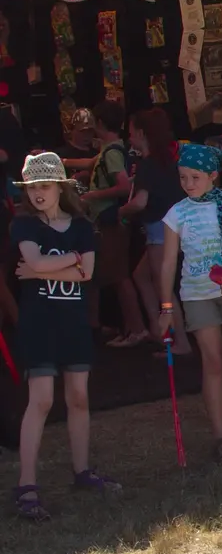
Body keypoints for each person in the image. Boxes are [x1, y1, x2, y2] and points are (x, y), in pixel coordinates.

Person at [11, 153, 117, 520]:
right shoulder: (24, 224)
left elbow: (85, 273)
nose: (38, 194)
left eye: (44, 186)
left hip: (72, 322)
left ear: (59, 187)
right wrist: (68, 260)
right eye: (32, 188)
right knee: (39, 401)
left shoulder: (81, 226)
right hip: (38, 322)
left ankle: (82, 471)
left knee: (78, 397)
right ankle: (26, 484)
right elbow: (35, 262)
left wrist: (47, 267)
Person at [156, 144, 222, 461]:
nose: (188, 184)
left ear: (213, 176)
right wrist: (166, 308)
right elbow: (167, 264)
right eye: (183, 178)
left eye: (195, 177)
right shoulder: (176, 213)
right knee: (213, 362)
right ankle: (220, 433)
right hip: (196, 295)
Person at [65, 101, 140, 344]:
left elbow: (123, 185)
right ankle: (109, 326)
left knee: (119, 276)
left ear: (99, 123)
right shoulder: (111, 149)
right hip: (103, 221)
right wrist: (60, 161)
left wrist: (91, 195)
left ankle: (136, 329)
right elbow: (92, 164)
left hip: (111, 220)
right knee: (104, 275)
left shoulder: (112, 152)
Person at [122, 108, 189, 355]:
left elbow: (140, 201)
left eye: (131, 133)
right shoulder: (167, 160)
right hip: (170, 226)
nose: (129, 138)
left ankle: (179, 341)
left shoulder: (147, 165)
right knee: (142, 276)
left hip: (158, 230)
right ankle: (159, 331)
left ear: (141, 133)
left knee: (165, 287)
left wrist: (118, 213)